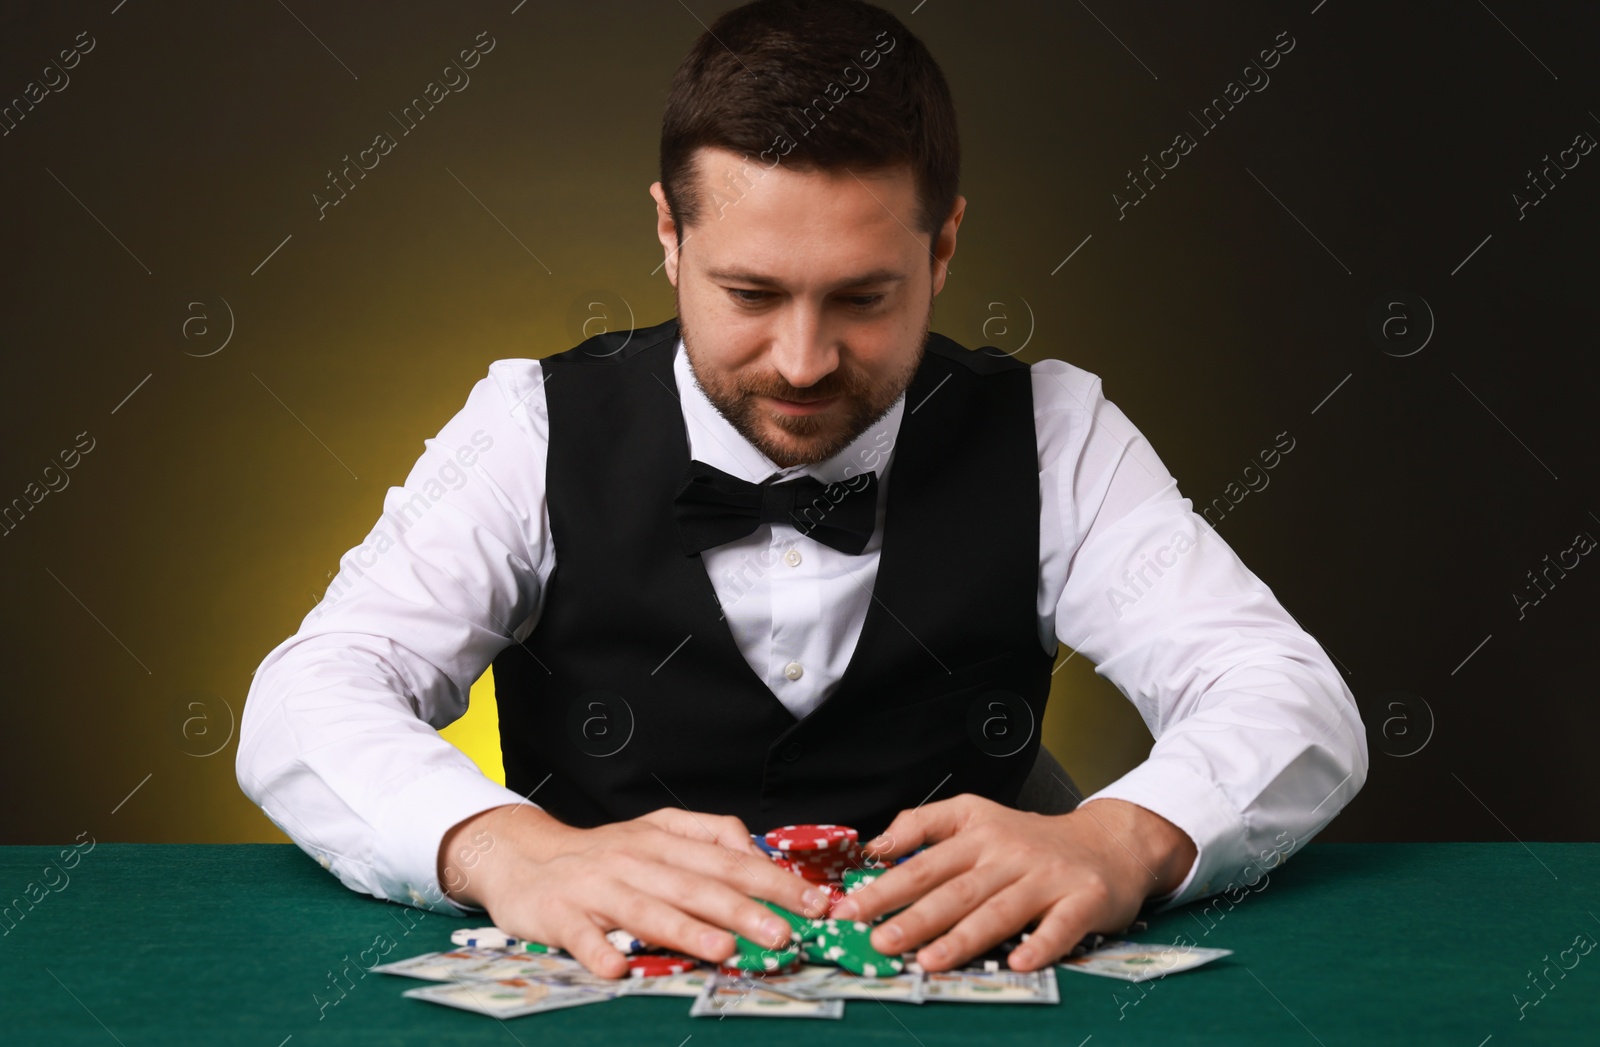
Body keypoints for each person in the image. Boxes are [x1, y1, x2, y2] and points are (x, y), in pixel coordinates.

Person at [236, 0, 1366, 981]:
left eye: (863, 299)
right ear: (669, 237)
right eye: (751, 292)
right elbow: (309, 695)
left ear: (944, 249)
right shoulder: (528, 426)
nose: (803, 360)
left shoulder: (1051, 431)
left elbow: (1284, 694)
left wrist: (1125, 838)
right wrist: (505, 850)